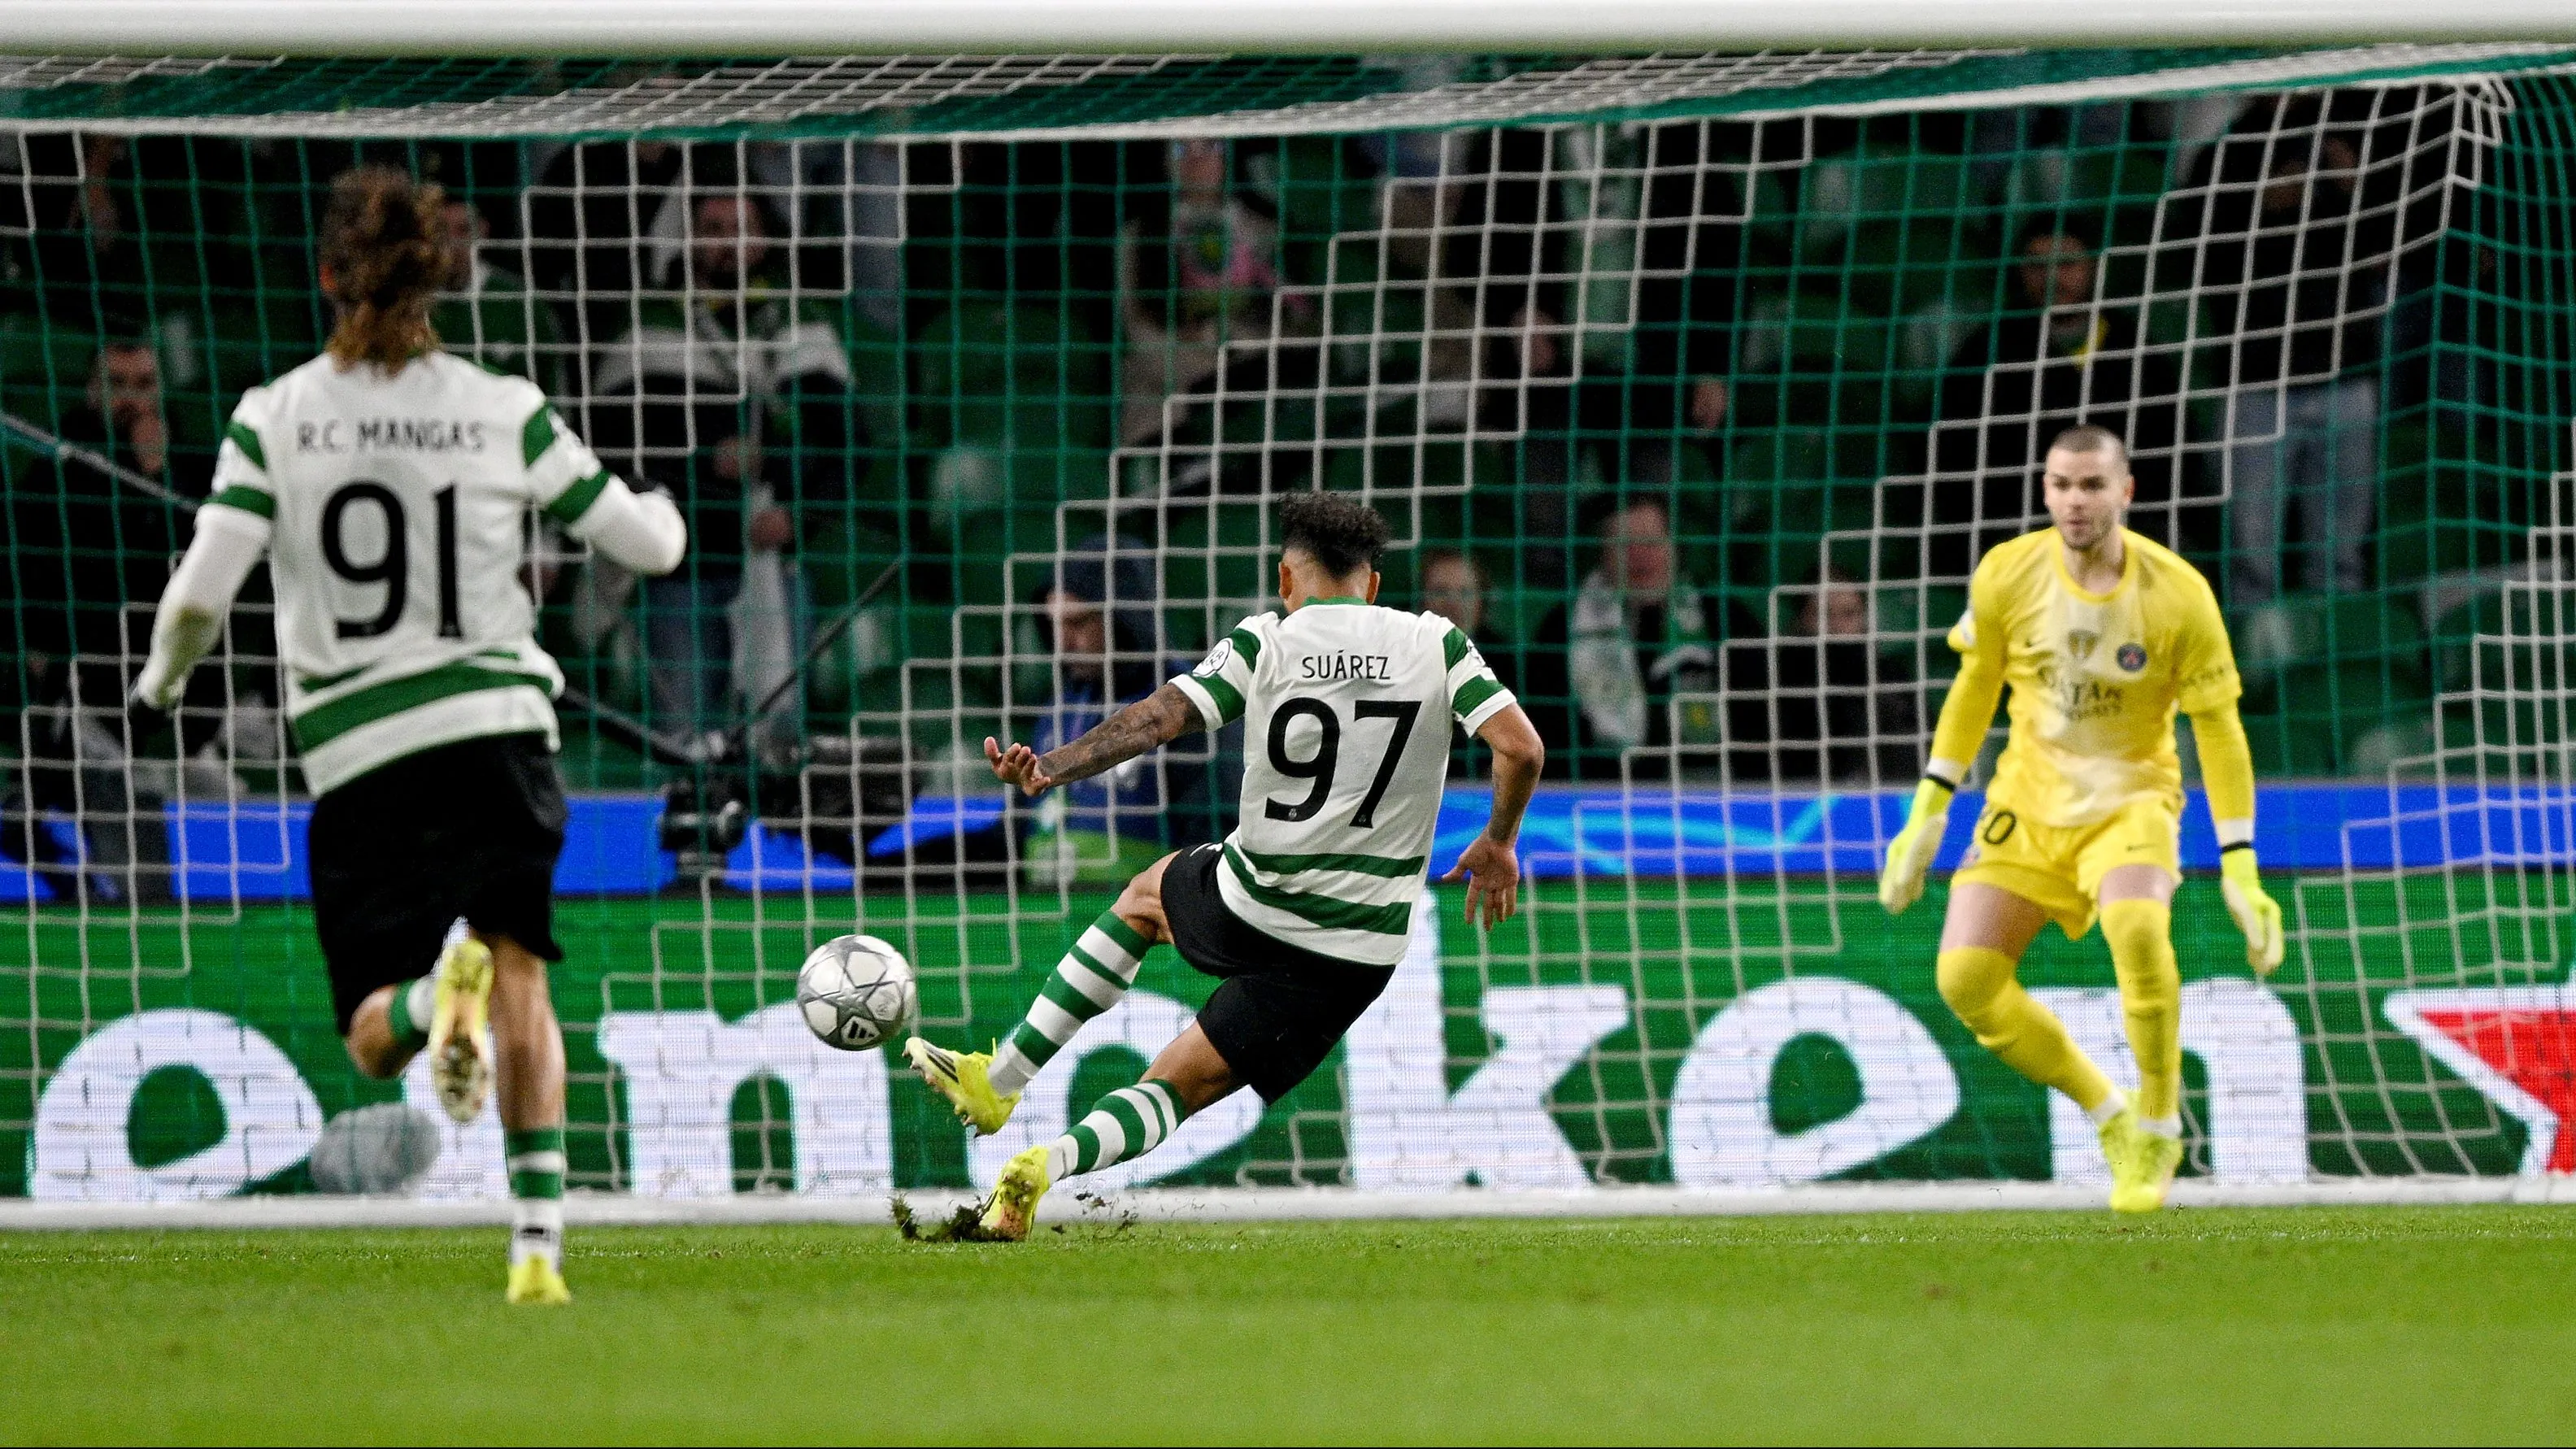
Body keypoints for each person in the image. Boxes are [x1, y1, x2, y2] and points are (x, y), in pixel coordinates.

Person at [128, 166, 687, 1302]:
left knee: (372, 1036)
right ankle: (537, 1246)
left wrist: (159, 690)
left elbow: (197, 598)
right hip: (496, 732)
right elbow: (644, 547)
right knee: (524, 970)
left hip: (360, 752)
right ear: (446, 273)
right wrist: (668, 512)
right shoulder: (502, 404)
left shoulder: (271, 417)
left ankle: (440, 1000)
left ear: (328, 274)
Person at [903, 491, 1544, 1239]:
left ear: (1285, 580)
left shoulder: (1266, 641)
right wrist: (1498, 842)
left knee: (1146, 897)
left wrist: (1052, 766)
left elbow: (1157, 719)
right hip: (1357, 946)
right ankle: (1044, 1168)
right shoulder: (1438, 645)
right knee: (1184, 1085)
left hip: (1255, 899)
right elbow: (1521, 748)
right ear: (1372, 584)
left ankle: (1000, 1082)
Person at [1877, 424, 2284, 1214]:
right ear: (2045, 491)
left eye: (2092, 485)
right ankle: (2113, 1116)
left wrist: (2241, 863)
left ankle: (2162, 1123)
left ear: (2125, 492)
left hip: (2133, 797)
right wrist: (1928, 810)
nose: (2075, 500)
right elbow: (1975, 687)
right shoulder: (2008, 573)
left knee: (2136, 929)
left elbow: (2220, 727)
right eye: (2062, 485)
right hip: (2026, 803)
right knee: (1965, 980)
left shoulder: (2177, 593)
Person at [589, 186, 855, 746]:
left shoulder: (801, 320)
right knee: (684, 736)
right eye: (711, 228)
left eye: (741, 226)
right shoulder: (649, 322)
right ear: (686, 239)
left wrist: (797, 513)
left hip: (773, 558)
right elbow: (613, 446)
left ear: (765, 238)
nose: (727, 243)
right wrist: (701, 461)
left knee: (778, 737)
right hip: (678, 565)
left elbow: (849, 444)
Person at [0, 336, 203, 901]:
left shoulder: (184, 466)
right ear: (92, 390)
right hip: (86, 679)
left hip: (168, 678)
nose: (132, 399)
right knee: (125, 818)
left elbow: (190, 566)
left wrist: (156, 469)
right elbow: (26, 570)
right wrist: (40, 651)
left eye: (144, 385)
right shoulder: (57, 471)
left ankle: (29, 813)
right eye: (118, 384)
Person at [2183, 98, 2397, 599]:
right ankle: (2257, 666)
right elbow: (2189, 250)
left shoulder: (2345, 140)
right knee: (2251, 557)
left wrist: (2354, 190)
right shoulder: (2229, 153)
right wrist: (2261, 208)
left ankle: (2340, 660)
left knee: (2344, 556)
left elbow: (2389, 246)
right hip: (2257, 382)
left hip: (2346, 374)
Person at [1523, 497, 1716, 779]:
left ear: (1674, 547)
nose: (1641, 555)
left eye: (1651, 541)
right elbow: (1543, 731)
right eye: (1625, 544)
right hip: (1596, 795)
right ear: (1603, 555)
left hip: (1705, 794)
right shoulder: (1561, 626)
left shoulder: (1722, 616)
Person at [1721, 565, 1921, 788]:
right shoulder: (1772, 680)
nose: (1836, 626)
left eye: (1848, 614)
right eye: (1823, 614)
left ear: (1864, 618)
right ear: (1800, 619)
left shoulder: (1890, 678)